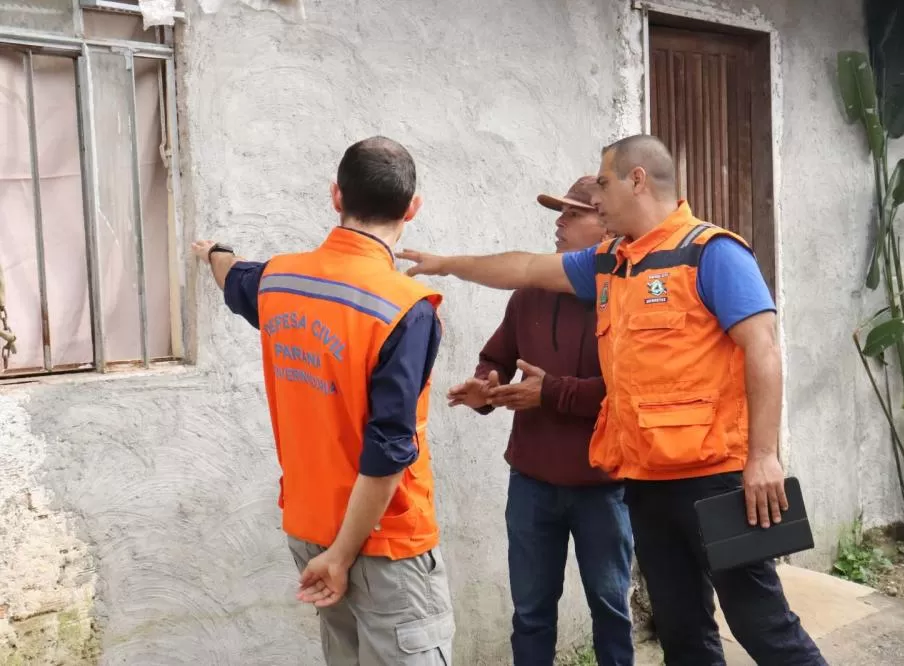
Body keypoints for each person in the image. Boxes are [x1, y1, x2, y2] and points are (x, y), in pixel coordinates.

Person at [398, 135, 827, 665]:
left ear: (637, 180)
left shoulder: (711, 253)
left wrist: (763, 456)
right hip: (645, 484)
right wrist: (446, 263)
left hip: (718, 480)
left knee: (764, 627)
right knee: (683, 631)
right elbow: (527, 269)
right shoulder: (611, 264)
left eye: (603, 183)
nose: (598, 199)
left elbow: (763, 350)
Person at [191, 136, 454, 665]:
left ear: (336, 196)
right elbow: (388, 449)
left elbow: (232, 276)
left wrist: (212, 253)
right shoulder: (405, 307)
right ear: (412, 208)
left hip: (310, 530)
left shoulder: (279, 279)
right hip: (382, 542)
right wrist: (342, 555)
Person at [448, 176, 633, 666]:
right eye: (559, 212)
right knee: (530, 613)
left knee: (611, 610)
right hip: (530, 484)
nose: (559, 222)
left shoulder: (627, 294)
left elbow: (629, 395)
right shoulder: (529, 293)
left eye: (573, 214)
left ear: (607, 223)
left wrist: (549, 392)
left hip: (604, 486)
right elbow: (496, 356)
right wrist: (484, 387)